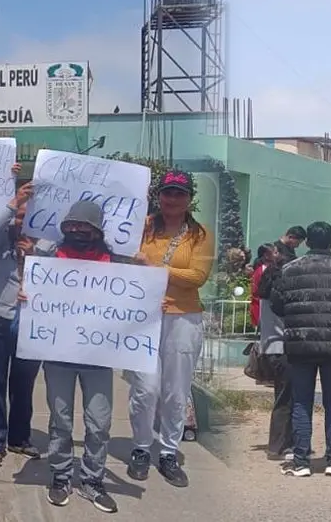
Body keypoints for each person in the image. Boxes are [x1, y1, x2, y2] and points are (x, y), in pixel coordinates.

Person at [40, 201, 131, 513]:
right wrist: (28, 295)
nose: (77, 229)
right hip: (58, 354)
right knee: (60, 421)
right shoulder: (51, 257)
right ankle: (61, 476)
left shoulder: (113, 262)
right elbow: (35, 292)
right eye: (71, 224)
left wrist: (148, 305)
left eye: (84, 225)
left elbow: (132, 297)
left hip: (98, 356)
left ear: (97, 230)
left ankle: (93, 480)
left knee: (99, 423)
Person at [127, 170, 214, 488]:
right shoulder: (143, 227)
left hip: (183, 319)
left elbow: (197, 277)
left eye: (179, 193)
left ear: (190, 199)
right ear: (158, 196)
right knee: (145, 389)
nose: (172, 199)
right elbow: (122, 261)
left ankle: (168, 451)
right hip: (143, 317)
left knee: (176, 391)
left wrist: (156, 268)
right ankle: (140, 446)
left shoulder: (200, 235)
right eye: (167, 192)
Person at [271, 221, 331, 477]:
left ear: (308, 242)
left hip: (300, 344)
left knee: (301, 402)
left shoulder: (289, 269)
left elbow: (277, 304)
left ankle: (301, 461)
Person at [0, 178, 42, 466]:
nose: (20, 222)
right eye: (18, 216)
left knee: (23, 384)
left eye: (27, 217)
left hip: (29, 322)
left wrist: (34, 256)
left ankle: (19, 438)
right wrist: (15, 202)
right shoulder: (0, 243)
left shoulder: (47, 248)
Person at [256, 244, 293, 460]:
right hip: (283, 349)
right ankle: (280, 445)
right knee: (286, 399)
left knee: (281, 396)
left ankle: (280, 443)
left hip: (269, 348)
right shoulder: (281, 295)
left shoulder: (265, 292)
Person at [250, 243, 275, 330]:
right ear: (266, 255)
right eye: (274, 252)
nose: (277, 254)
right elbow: (257, 293)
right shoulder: (262, 271)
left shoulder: (265, 269)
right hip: (262, 309)